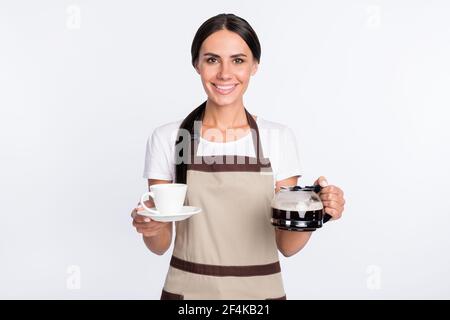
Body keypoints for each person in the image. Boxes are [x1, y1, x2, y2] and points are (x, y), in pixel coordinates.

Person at [131, 13, 345, 300]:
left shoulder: (277, 138)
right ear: (197, 64)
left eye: (238, 60)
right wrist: (150, 226)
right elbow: (160, 245)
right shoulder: (170, 138)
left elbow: (287, 245)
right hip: (188, 296)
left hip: (261, 297)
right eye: (212, 59)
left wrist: (320, 212)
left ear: (255, 66)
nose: (224, 73)